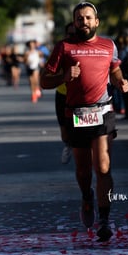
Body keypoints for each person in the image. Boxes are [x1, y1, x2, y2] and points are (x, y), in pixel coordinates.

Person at [40, 2, 128, 242]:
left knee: (103, 167)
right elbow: (44, 81)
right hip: (76, 114)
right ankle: (87, 196)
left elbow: (115, 69)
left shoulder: (108, 45)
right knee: (83, 171)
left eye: (88, 18)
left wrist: (120, 80)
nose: (84, 22)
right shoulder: (65, 47)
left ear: (96, 21)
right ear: (74, 22)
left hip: (102, 111)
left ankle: (105, 219)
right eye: (79, 19)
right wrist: (64, 76)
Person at [56, 22, 75, 164]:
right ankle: (68, 145)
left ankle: (81, 149)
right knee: (64, 132)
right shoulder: (61, 48)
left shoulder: (87, 48)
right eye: (70, 34)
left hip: (80, 96)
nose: (72, 36)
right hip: (62, 93)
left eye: (75, 33)